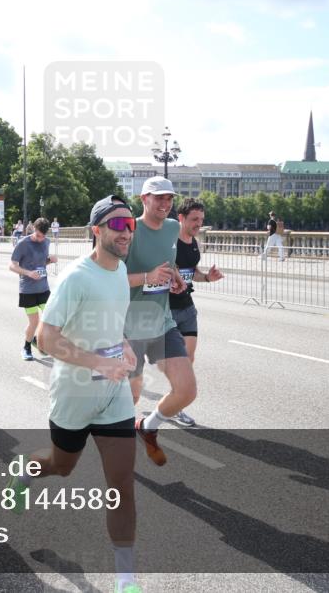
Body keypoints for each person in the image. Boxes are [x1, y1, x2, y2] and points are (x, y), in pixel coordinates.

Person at [6, 195, 140, 593]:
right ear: (96, 231)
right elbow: (46, 339)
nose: (127, 232)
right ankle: (26, 470)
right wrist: (99, 363)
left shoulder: (120, 270)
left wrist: (124, 343)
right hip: (74, 395)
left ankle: (126, 580)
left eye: (130, 225)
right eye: (118, 225)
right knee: (61, 466)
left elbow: (111, 324)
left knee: (122, 486)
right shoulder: (76, 277)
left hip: (113, 396)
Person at [124, 176, 195, 467]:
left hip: (162, 321)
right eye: (158, 198)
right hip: (129, 326)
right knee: (132, 394)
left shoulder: (173, 228)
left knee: (186, 390)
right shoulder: (128, 230)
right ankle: (116, 444)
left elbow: (169, 259)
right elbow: (108, 277)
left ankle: (148, 426)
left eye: (169, 198)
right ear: (144, 199)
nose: (165, 203)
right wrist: (146, 278)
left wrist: (175, 276)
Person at [167, 199, 224, 427]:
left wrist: (208, 277)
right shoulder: (169, 243)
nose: (198, 224)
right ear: (181, 218)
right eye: (194, 219)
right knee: (174, 361)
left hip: (187, 308)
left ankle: (175, 406)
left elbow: (193, 273)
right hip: (166, 309)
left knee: (187, 360)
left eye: (201, 219)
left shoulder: (193, 243)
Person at [10, 217, 57, 361]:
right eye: (38, 235)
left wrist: (50, 260)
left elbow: (41, 263)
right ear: (33, 230)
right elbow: (12, 265)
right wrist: (29, 273)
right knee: (34, 322)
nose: (41, 239)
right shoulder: (23, 243)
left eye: (43, 236)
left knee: (52, 318)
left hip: (43, 287)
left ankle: (37, 339)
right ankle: (26, 347)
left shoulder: (46, 242)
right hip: (28, 290)